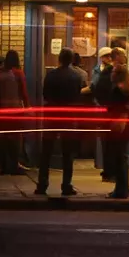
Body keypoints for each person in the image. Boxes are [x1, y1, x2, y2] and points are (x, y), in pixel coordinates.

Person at [35, 48, 87, 198]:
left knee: (46, 152)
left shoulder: (51, 75)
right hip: (68, 117)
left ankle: (42, 184)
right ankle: (66, 185)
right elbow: (78, 96)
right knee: (67, 153)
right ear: (71, 60)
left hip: (52, 115)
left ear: (59, 59)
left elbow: (45, 94)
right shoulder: (76, 76)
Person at [93, 37, 127, 181]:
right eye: (123, 56)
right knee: (116, 145)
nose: (125, 58)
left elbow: (97, 89)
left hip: (107, 112)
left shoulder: (105, 72)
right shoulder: (118, 72)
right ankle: (114, 174)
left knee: (108, 144)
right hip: (116, 113)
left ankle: (108, 171)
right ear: (117, 57)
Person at [105, 50, 129, 199]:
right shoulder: (127, 89)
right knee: (121, 157)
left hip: (117, 124)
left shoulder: (118, 90)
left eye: (114, 71)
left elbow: (114, 107)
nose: (111, 72)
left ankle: (121, 190)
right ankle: (122, 188)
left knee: (118, 157)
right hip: (123, 124)